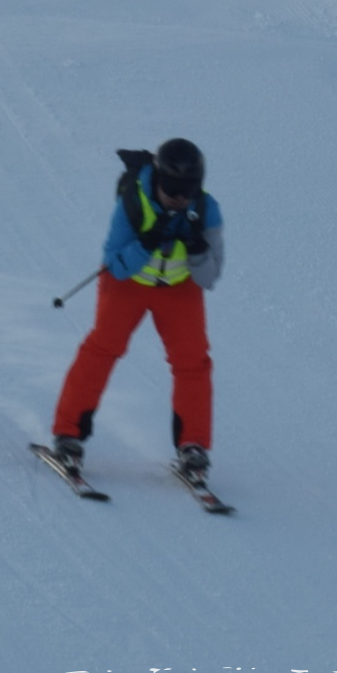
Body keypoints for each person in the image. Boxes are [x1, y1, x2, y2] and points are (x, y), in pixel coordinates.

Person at [51, 140, 226, 481]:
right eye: (172, 189)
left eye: (188, 190)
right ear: (158, 181)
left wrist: (196, 248)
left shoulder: (208, 211)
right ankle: (68, 434)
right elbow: (115, 266)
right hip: (128, 284)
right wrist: (147, 242)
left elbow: (209, 278)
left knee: (193, 361)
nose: (179, 198)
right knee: (102, 349)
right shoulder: (134, 202)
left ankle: (193, 446)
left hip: (179, 288)